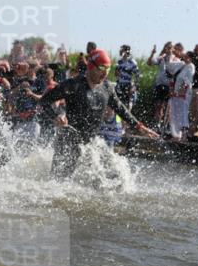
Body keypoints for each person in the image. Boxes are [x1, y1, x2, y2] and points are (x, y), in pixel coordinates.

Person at [38, 50, 158, 178]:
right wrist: (57, 115)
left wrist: (139, 126)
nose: (105, 72)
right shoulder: (73, 85)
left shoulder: (107, 88)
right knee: (58, 182)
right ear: (90, 66)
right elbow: (44, 101)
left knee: (115, 176)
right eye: (101, 68)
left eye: (108, 68)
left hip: (92, 144)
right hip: (68, 142)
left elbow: (121, 109)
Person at [115, 44, 138, 112]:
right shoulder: (119, 61)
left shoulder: (132, 62)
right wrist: (117, 70)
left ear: (126, 51)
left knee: (128, 106)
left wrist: (134, 86)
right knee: (118, 105)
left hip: (129, 86)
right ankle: (119, 122)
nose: (119, 51)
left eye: (121, 49)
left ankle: (127, 121)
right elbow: (116, 75)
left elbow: (138, 75)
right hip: (120, 85)